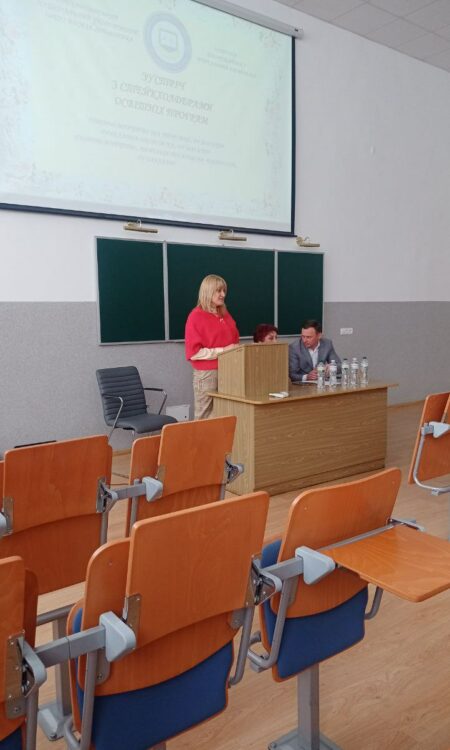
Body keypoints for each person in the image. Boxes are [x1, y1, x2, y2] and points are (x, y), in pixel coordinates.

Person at [185, 274, 239, 419]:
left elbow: (234, 341)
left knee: (225, 414)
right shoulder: (196, 316)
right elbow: (194, 353)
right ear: (208, 291)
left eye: (224, 291)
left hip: (229, 370)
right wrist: (224, 351)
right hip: (208, 374)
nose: (223, 295)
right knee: (205, 417)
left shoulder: (225, 314)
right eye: (219, 291)